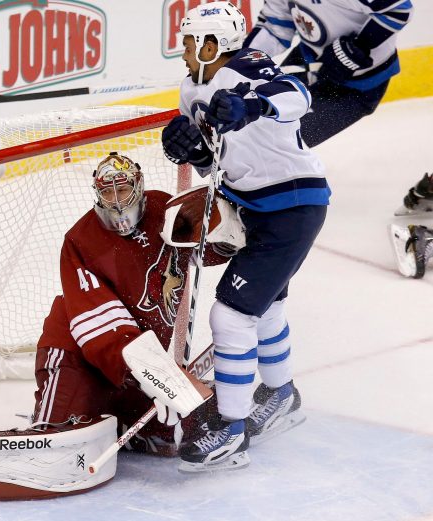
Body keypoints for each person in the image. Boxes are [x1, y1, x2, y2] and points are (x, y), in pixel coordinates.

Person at [0, 152, 245, 509]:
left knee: (200, 424)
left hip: (139, 369)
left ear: (137, 186)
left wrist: (226, 236)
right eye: (108, 193)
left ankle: (127, 424)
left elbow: (204, 248)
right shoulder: (81, 240)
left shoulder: (162, 209)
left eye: (123, 189)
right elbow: (104, 330)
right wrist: (162, 378)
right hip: (80, 357)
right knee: (53, 447)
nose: (117, 200)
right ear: (97, 194)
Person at [161, 1, 329, 472]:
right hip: (252, 208)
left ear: (211, 45)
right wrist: (193, 150)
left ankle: (231, 431)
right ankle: (281, 395)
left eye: (191, 40)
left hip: (293, 205)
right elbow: (215, 162)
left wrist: (253, 104)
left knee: (232, 317)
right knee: (266, 306)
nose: (185, 49)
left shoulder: (248, 66)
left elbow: (298, 94)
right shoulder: (189, 89)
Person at [243, 0, 414, 148]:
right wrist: (235, 64)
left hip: (356, 88)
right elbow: (275, 26)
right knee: (251, 121)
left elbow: (398, 9)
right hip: (306, 61)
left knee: (280, 143)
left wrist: (360, 45)